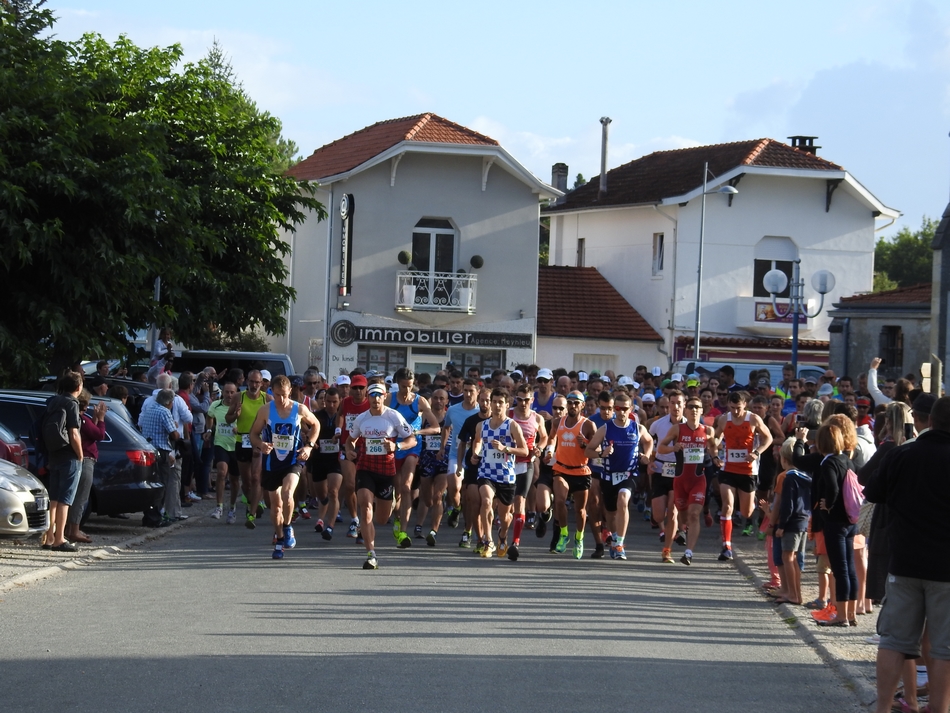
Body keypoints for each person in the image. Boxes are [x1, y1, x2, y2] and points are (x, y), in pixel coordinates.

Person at [866, 396, 950, 713]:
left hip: (904, 562)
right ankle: (940, 708)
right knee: (944, 648)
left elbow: (873, 492)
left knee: (895, 641)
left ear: (928, 421)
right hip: (946, 568)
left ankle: (884, 707)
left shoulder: (902, 455)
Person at [250, 375, 320, 560]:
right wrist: (261, 445)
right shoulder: (265, 410)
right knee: (276, 506)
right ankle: (279, 537)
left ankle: (288, 527)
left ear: (290, 391)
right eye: (277, 394)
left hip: (293, 459)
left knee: (288, 494)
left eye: (284, 394)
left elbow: (316, 425)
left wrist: (309, 446)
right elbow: (253, 434)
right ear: (271, 392)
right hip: (272, 461)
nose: (281, 399)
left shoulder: (299, 409)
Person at [347, 382, 415, 570]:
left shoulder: (393, 416)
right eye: (372, 395)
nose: (375, 399)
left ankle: (389, 502)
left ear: (385, 396)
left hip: (386, 471)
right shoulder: (361, 419)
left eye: (379, 395)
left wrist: (397, 446)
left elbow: (412, 439)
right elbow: (349, 441)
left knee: (382, 519)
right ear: (367, 397)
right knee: (366, 508)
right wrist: (350, 451)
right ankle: (371, 555)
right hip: (365, 468)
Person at [801, 414, 859, 627]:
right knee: (850, 569)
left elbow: (833, 488)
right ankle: (851, 613)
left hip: (835, 522)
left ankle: (841, 616)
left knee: (839, 568)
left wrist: (828, 504)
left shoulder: (828, 463)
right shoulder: (847, 460)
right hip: (851, 521)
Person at [585, 392, 653, 561]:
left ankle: (620, 543)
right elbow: (588, 451)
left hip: (630, 473)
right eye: (618, 408)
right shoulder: (605, 429)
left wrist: (647, 455)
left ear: (630, 409)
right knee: (610, 512)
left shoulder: (637, 428)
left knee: (623, 499)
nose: (621, 412)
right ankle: (615, 538)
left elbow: (649, 441)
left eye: (624, 409)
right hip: (608, 476)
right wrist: (602, 453)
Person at [712, 391, 773, 561]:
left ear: (744, 405)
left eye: (738, 408)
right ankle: (727, 546)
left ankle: (750, 502)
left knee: (746, 513)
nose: (735, 412)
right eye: (732, 408)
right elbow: (715, 439)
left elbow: (768, 438)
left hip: (748, 470)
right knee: (728, 505)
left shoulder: (753, 419)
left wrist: (756, 452)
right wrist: (715, 454)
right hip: (729, 468)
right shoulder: (724, 419)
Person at [470, 388, 529, 559]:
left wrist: (506, 449)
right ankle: (488, 540)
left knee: (505, 517)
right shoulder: (482, 425)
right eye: (493, 401)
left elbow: (525, 450)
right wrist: (476, 453)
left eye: (500, 403)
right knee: (486, 501)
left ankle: (502, 535)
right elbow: (478, 442)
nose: (496, 405)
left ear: (507, 405)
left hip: (506, 475)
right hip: (486, 472)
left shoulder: (512, 425)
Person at [656, 394, 713, 565]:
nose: (694, 410)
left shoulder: (707, 430)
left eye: (697, 407)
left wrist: (715, 454)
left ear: (702, 411)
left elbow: (716, 446)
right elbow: (661, 447)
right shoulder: (677, 429)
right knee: (684, 516)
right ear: (686, 411)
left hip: (698, 479)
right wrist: (674, 447)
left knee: (694, 514)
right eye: (691, 407)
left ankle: (688, 552)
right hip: (680, 480)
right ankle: (683, 530)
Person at [389, 368, 441, 549]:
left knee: (406, 487)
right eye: (403, 387)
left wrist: (417, 431)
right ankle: (397, 518)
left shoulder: (420, 401)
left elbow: (436, 428)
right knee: (396, 493)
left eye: (410, 386)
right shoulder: (390, 399)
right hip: (394, 447)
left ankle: (403, 531)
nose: (407, 391)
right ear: (398, 384)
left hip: (413, 446)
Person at [546, 390, 596, 559]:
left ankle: (579, 538)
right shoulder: (557, 422)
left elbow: (596, 450)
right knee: (559, 501)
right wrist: (549, 450)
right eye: (570, 402)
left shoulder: (588, 425)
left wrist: (586, 444)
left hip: (581, 471)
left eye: (576, 403)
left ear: (582, 406)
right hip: (561, 468)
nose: (573, 405)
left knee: (580, 510)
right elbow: (552, 438)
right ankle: (564, 533)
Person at [42, 372, 84, 551]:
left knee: (54, 497)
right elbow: (73, 432)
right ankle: (60, 539)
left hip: (54, 453)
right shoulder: (72, 403)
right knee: (65, 499)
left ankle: (48, 537)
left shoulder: (54, 401)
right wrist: (80, 454)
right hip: (68, 455)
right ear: (78, 387)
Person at [505, 384, 547, 560]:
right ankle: (500, 536)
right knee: (505, 504)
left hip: (526, 463)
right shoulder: (509, 415)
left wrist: (539, 447)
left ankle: (515, 542)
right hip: (507, 463)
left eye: (526, 400)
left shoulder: (537, 418)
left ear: (532, 400)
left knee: (519, 501)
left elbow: (544, 437)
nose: (523, 403)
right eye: (520, 399)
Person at [226, 369, 269, 529]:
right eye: (251, 381)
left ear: (262, 383)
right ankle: (253, 501)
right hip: (242, 440)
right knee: (247, 482)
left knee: (257, 477)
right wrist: (235, 415)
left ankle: (251, 513)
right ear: (246, 382)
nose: (254, 385)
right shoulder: (239, 397)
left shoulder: (267, 399)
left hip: (258, 441)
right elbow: (228, 419)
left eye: (257, 382)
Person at [64, 390, 106, 544]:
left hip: (78, 459)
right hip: (86, 459)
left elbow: (91, 433)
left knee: (74, 496)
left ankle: (70, 528)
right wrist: (101, 419)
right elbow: (99, 435)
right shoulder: (81, 420)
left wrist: (94, 420)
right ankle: (74, 530)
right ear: (85, 405)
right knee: (81, 496)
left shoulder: (78, 419)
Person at [773, 437, 811, 605]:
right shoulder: (806, 475)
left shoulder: (789, 477)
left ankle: (792, 593)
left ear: (784, 459)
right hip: (804, 519)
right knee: (795, 558)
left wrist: (781, 526)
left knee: (787, 556)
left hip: (792, 522)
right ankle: (796, 593)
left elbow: (787, 504)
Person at [650, 390, 686, 562]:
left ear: (684, 405)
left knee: (672, 512)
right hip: (660, 469)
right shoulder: (658, 424)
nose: (675, 407)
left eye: (679, 403)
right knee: (658, 516)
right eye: (673, 403)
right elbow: (650, 445)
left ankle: (667, 550)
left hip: (679, 472)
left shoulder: (690, 425)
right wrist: (649, 461)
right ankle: (666, 528)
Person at [440, 378, 480, 531]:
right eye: (466, 391)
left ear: (477, 393)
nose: (468, 394)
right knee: (454, 488)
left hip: (473, 456)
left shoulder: (481, 411)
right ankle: (456, 508)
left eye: (471, 391)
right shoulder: (452, 409)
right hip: (455, 453)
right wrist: (443, 447)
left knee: (469, 494)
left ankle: (468, 528)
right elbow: (446, 427)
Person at [139, 389, 181, 527]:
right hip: (161, 452)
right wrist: (176, 430)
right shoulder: (164, 412)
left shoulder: (150, 409)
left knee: (151, 484)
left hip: (148, 450)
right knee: (161, 484)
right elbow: (174, 435)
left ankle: (148, 515)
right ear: (169, 402)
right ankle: (155, 517)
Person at [337, 373, 370, 540]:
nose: (357, 391)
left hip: (366, 449)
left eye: (361, 388)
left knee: (364, 488)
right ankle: (355, 519)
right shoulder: (345, 402)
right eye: (354, 388)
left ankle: (365, 522)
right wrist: (338, 429)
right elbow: (340, 415)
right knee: (349, 485)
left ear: (366, 389)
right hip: (347, 446)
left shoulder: (371, 404)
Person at [311, 387, 344, 539]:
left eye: (334, 402)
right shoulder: (317, 416)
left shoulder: (342, 417)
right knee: (322, 495)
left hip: (336, 460)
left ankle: (330, 526)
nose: (331, 405)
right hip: (319, 458)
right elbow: (306, 428)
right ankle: (323, 509)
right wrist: (310, 440)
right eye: (328, 402)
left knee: (333, 492)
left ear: (339, 402)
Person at [207, 381, 240, 522]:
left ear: (236, 393)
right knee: (221, 472)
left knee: (234, 480)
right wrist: (209, 430)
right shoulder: (216, 405)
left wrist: (240, 429)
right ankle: (219, 506)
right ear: (223, 392)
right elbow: (209, 416)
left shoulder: (241, 407)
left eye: (232, 392)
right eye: (227, 392)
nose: (229, 395)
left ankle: (232, 508)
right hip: (220, 444)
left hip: (236, 445)